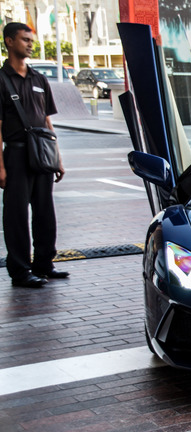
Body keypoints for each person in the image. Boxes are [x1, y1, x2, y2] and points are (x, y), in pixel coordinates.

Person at [0, 22, 69, 288]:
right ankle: (20, 271)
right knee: (16, 215)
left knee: (45, 212)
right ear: (8, 41)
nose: (30, 44)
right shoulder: (2, 79)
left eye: (31, 40)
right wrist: (1, 168)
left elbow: (48, 122)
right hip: (16, 154)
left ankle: (44, 264)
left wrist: (58, 158)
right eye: (24, 39)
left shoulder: (39, 79)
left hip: (42, 153)